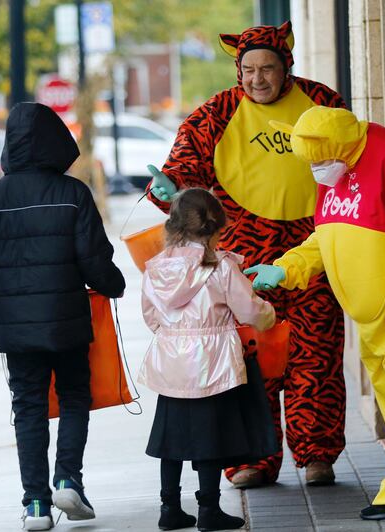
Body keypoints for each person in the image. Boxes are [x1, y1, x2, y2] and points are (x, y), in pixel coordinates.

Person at [146, 21, 347, 488]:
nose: (258, 79)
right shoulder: (216, 112)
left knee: (316, 356)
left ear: (286, 68)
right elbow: (181, 177)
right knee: (248, 359)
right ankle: (251, 458)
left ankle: (316, 454)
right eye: (249, 69)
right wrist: (167, 191)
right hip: (244, 258)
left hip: (314, 249)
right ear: (238, 70)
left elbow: (356, 157)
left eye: (268, 69)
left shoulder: (323, 103)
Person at [246, 106, 385, 520]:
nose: (317, 170)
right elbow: (329, 234)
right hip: (373, 318)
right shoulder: (339, 165)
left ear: (339, 146)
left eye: (320, 162)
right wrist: (287, 267)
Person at [0, 102, 126, 530]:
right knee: (74, 397)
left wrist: (5, 304)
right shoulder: (72, 195)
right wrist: (115, 286)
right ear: (56, 142)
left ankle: (35, 503)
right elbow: (96, 263)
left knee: (28, 407)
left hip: (15, 330)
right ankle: (68, 477)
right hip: (67, 321)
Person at [139, 188, 279, 531]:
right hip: (214, 362)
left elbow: (150, 315)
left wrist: (172, 335)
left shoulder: (156, 268)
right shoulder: (221, 268)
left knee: (170, 439)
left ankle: (169, 508)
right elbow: (248, 311)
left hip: (170, 363)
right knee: (210, 437)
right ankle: (209, 510)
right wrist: (268, 314)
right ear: (217, 227)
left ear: (174, 225)